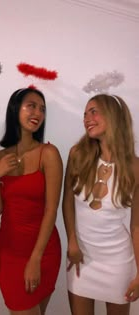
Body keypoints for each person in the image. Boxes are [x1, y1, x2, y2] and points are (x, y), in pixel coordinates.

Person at [0, 87, 63, 315]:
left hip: (44, 250)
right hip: (9, 252)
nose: (38, 112)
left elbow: (51, 210)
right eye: (31, 105)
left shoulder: (48, 154)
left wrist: (35, 259)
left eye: (42, 108)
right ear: (15, 109)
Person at [62, 94, 139, 315]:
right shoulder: (78, 154)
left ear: (113, 115)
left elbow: (136, 226)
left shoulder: (135, 167)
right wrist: (72, 243)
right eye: (85, 114)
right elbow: (67, 201)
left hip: (118, 263)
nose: (87, 118)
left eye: (93, 111)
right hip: (81, 259)